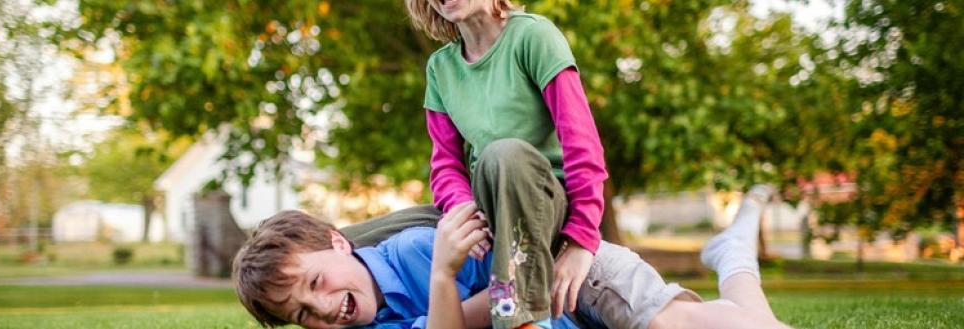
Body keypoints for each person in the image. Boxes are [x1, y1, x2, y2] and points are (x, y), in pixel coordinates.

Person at [231, 183, 793, 329]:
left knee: (679, 321)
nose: (324, 308)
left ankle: (735, 249)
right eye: (303, 315)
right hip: (564, 319)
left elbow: (515, 290)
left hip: (573, 273)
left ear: (337, 242)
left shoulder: (421, 249)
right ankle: (735, 251)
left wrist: (444, 286)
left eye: (315, 284)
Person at [407, 0, 609, 327]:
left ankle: (520, 321)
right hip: (489, 202)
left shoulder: (534, 36)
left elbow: (581, 143)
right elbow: (445, 164)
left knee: (504, 154)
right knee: (372, 233)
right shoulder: (439, 68)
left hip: (548, 200)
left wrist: (582, 241)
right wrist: (464, 211)